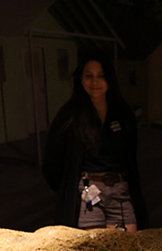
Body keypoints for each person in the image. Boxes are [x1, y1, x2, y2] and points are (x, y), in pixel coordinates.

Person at [42, 50, 148, 231]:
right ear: (80, 79)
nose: (95, 82)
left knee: (126, 246)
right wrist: (67, 188)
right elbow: (52, 157)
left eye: (101, 76)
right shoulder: (70, 115)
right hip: (89, 190)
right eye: (89, 76)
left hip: (119, 188)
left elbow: (131, 156)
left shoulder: (123, 114)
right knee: (94, 248)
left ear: (110, 79)